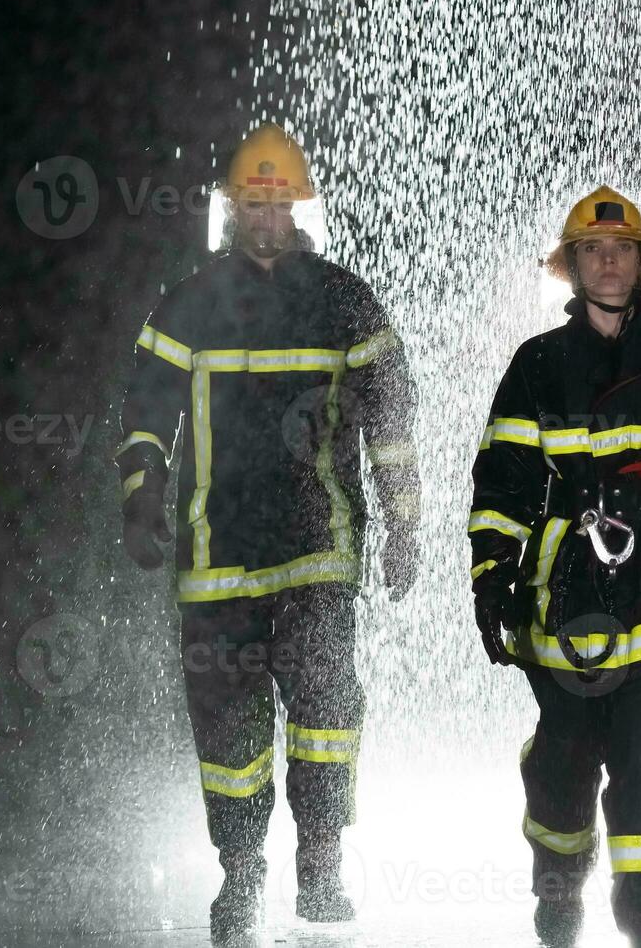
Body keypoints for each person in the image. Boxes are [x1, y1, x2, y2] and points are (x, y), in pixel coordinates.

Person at [115, 123, 418, 945]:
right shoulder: (190, 302)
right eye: (253, 202)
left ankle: (319, 866)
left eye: (279, 203)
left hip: (319, 551)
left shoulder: (343, 299)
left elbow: (391, 421)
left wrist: (405, 523)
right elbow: (145, 412)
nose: (266, 216)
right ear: (231, 208)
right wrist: (141, 496)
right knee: (228, 733)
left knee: (325, 714)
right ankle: (241, 874)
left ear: (300, 207)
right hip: (216, 561)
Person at [467, 185, 641, 947]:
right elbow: (503, 481)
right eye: (592, 250)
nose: (608, 261)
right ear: (571, 266)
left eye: (621, 248)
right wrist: (491, 575)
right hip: (564, 606)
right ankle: (556, 905)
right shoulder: (536, 366)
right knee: (563, 769)